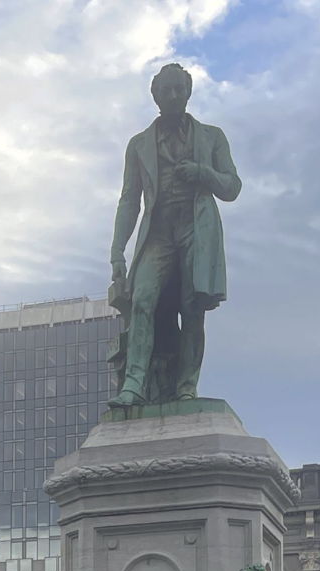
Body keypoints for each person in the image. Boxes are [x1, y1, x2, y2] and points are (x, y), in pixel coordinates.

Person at [108, 62, 241, 406]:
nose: (172, 96)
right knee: (142, 299)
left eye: (178, 89)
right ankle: (134, 384)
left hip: (196, 228)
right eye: (165, 90)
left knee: (192, 306)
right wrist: (117, 250)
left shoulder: (212, 137)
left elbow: (232, 186)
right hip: (158, 231)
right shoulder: (139, 145)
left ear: (188, 92)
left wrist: (202, 172)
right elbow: (129, 200)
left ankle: (186, 385)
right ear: (155, 96)